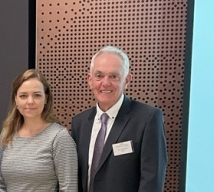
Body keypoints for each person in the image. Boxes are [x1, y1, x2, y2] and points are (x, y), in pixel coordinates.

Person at [71, 46, 167, 192]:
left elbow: (152, 180)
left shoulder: (148, 118)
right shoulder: (80, 123)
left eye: (114, 76)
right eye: (99, 75)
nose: (105, 83)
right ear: (90, 80)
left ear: (127, 80)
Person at [0, 69, 78, 192]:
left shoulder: (59, 137)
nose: (30, 101)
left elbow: (69, 188)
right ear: (16, 99)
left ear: (46, 98)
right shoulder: (7, 133)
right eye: (23, 96)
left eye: (37, 95)